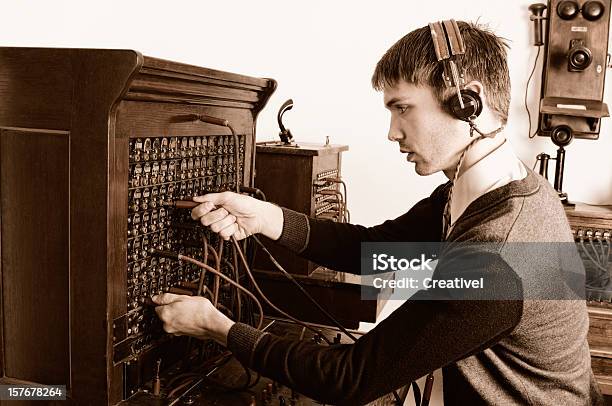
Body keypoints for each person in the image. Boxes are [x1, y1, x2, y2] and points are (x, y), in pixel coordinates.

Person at [152, 21, 603, 405]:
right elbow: (379, 250)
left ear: (468, 101)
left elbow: (352, 379)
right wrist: (263, 217)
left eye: (402, 108)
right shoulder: (491, 188)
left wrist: (217, 327)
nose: (392, 132)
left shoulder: (497, 256)